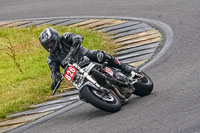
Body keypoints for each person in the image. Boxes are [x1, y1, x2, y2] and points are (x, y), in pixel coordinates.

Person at [39, 27, 136, 90]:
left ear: (56, 37)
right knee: (81, 94)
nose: (49, 46)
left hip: (86, 56)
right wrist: (55, 80)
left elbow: (78, 38)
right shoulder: (51, 58)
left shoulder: (65, 36)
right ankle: (95, 93)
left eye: (50, 42)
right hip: (77, 72)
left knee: (101, 55)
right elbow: (54, 71)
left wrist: (73, 49)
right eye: (46, 45)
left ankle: (125, 68)